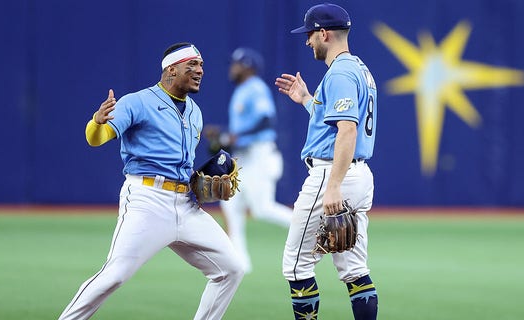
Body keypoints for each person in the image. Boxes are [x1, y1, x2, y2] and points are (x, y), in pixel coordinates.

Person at [58, 42, 244, 320]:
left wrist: (198, 182)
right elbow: (96, 138)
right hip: (147, 200)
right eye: (192, 65)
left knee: (231, 269)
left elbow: (181, 164)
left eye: (202, 65)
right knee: (115, 275)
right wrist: (96, 122)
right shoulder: (137, 102)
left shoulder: (195, 112)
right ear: (171, 69)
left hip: (186, 204)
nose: (200, 70)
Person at [274, 3, 379, 319]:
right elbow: (334, 125)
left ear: (324, 33)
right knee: (354, 269)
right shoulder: (360, 69)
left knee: (295, 264)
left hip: (332, 174)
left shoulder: (341, 73)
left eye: (310, 34)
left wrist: (333, 186)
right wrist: (307, 100)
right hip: (358, 175)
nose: (307, 42)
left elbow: (347, 130)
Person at [205, 47, 292, 273]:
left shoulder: (255, 88)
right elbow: (239, 132)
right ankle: (240, 263)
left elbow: (266, 121)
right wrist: (223, 135)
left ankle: (311, 229)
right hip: (244, 155)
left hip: (259, 153)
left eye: (236, 64)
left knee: (262, 208)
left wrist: (234, 136)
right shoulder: (242, 90)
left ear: (247, 67)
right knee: (230, 204)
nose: (232, 68)